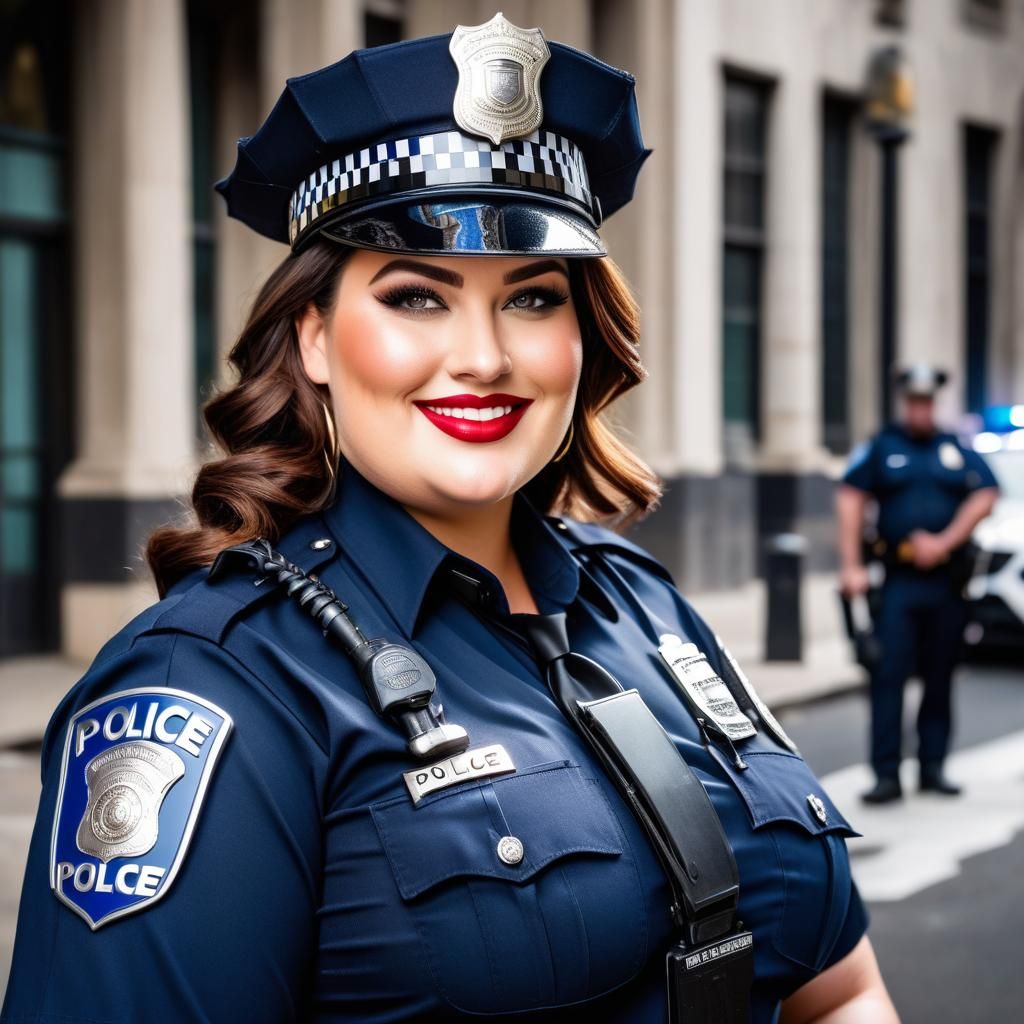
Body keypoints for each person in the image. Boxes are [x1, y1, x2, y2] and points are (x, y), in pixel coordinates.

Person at [3, 15, 897, 1023]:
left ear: (580, 335)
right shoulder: (216, 686)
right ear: (314, 340)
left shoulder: (642, 605)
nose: (482, 356)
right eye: (417, 296)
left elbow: (841, 985)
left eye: (530, 298)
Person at [837, 364, 999, 805]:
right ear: (904, 402)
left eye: (928, 402)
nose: (921, 410)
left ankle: (933, 767)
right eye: (914, 402)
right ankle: (886, 774)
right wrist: (851, 564)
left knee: (940, 676)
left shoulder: (953, 447)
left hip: (947, 582)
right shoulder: (882, 446)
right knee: (888, 676)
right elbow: (850, 496)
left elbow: (987, 493)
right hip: (899, 582)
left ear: (935, 403)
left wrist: (946, 540)